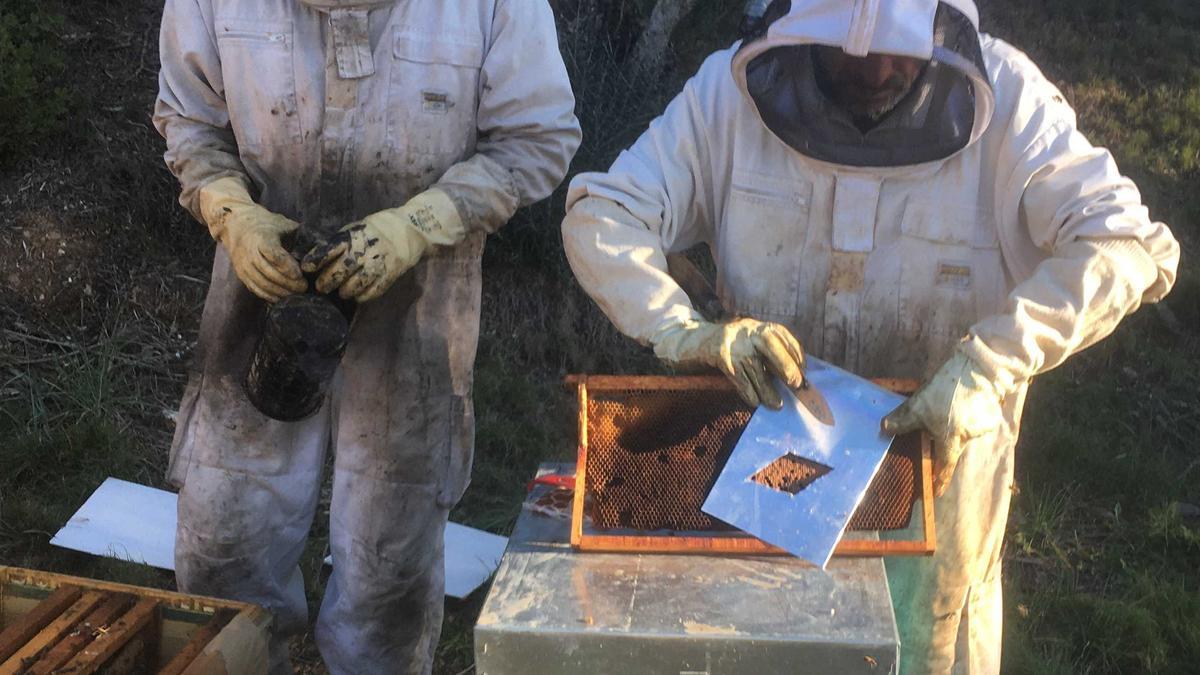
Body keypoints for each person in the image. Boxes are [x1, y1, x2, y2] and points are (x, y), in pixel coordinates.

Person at [560, 0, 1178, 672]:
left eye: (898, 50)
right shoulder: (726, 98)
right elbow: (604, 213)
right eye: (845, 50)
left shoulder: (1013, 104)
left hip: (939, 486)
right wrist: (681, 330)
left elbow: (1125, 245)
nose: (874, 69)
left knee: (926, 650)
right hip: (762, 480)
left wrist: (989, 363)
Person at [153, 0, 580, 671]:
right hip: (263, 285)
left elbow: (537, 135)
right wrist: (231, 211)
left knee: (390, 557)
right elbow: (190, 118)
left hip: (416, 295)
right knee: (226, 531)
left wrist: (420, 223)